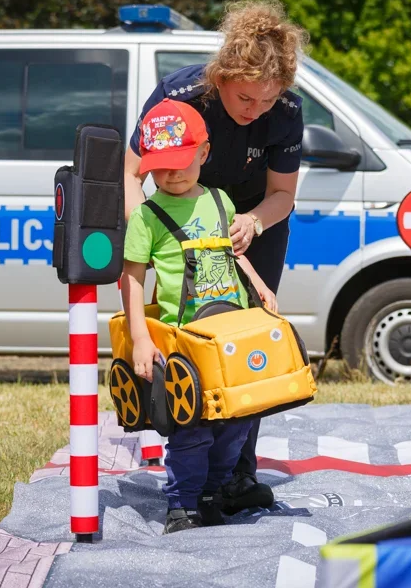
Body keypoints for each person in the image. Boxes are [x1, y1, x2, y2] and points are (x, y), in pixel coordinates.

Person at [123, 0, 308, 515]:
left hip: (250, 222)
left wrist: (253, 222)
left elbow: (282, 195)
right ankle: (189, 470)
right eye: (246, 97)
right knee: (189, 342)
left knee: (247, 344)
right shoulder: (179, 94)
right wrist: (157, 233)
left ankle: (234, 475)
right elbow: (132, 173)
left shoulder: (287, 113)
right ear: (221, 76)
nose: (255, 111)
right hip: (174, 212)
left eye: (267, 102)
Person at [121, 97, 278, 533]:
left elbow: (233, 254)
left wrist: (260, 285)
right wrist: (140, 338)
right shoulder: (147, 218)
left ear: (204, 153)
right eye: (161, 166)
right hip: (183, 340)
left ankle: (214, 490)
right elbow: (131, 279)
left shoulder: (219, 200)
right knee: (191, 426)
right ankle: (182, 504)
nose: (172, 173)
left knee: (237, 417)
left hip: (231, 333)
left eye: (181, 161)